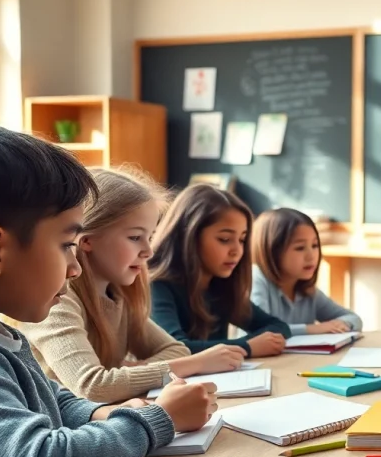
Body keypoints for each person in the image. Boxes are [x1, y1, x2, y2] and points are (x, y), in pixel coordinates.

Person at [0, 116, 216, 457]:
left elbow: (51, 399)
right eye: (67, 245)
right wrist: (158, 420)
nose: (74, 268)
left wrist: (99, 413)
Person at [23, 167, 245, 404]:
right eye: (135, 238)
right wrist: (197, 363)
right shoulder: (56, 301)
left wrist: (134, 372)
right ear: (86, 240)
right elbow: (93, 386)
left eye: (149, 238)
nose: (148, 252)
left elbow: (176, 349)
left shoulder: (120, 297)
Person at [149, 184, 292, 357]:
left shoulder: (220, 285)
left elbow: (278, 326)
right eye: (224, 239)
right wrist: (247, 346)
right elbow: (176, 350)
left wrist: (257, 343)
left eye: (242, 239)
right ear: (189, 235)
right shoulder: (157, 285)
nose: (237, 250)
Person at [250, 207, 362, 335]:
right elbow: (260, 330)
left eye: (315, 245)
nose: (311, 256)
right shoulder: (256, 279)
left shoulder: (307, 290)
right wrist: (312, 329)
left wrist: (341, 325)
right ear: (272, 251)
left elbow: (354, 319)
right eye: (300, 248)